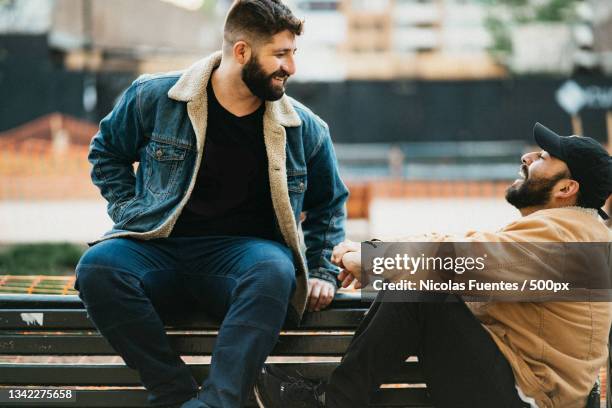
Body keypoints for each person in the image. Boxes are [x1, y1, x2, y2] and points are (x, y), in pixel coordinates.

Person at [74, 1, 348, 407]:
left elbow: (328, 204)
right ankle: (172, 391)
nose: (291, 67)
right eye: (280, 54)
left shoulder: (303, 127)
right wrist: (130, 211)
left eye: (293, 53)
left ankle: (217, 402)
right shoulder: (156, 97)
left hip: (243, 259)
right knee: (97, 267)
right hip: (159, 248)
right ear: (241, 52)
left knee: (276, 269)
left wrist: (324, 269)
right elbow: (107, 153)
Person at [254, 123, 612, 408]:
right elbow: (462, 249)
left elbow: (454, 260)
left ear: (567, 188)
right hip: (523, 388)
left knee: (421, 288)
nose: (528, 157)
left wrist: (370, 261)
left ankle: (332, 402)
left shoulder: (571, 242)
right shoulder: (572, 232)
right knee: (420, 280)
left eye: (544, 156)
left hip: (529, 397)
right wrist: (373, 254)